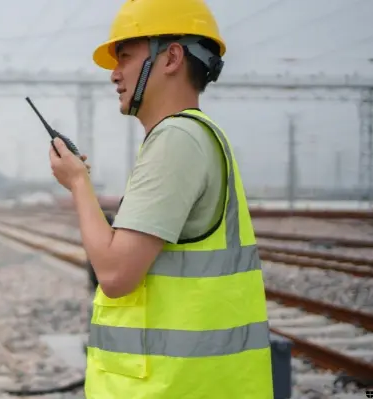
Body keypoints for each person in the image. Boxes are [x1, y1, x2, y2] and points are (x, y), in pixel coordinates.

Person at [47, 0, 274, 397]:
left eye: (125, 57)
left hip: (172, 388)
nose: (114, 74)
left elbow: (115, 275)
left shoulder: (176, 140)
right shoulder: (199, 136)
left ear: (171, 58)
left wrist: (79, 184)